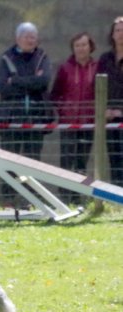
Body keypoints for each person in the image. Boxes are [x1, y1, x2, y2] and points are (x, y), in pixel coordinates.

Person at [0, 22, 52, 207]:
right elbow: (2, 86)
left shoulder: (42, 56)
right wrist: (30, 83)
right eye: (26, 36)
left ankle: (30, 200)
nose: (30, 40)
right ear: (17, 39)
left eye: (33, 37)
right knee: (9, 161)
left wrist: (16, 81)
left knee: (32, 160)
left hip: (35, 117)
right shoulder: (6, 57)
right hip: (10, 118)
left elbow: (43, 82)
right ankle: (8, 201)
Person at [50, 32, 97, 203]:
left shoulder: (98, 67)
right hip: (68, 124)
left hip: (88, 124)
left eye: (84, 45)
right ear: (73, 48)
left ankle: (77, 197)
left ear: (90, 47)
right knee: (67, 160)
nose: (81, 49)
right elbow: (55, 94)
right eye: (77, 45)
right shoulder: (65, 68)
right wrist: (63, 111)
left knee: (81, 161)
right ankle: (64, 197)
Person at [96, 16, 123, 187]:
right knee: (114, 158)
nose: (121, 34)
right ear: (112, 35)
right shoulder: (105, 59)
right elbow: (97, 86)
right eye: (118, 30)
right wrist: (103, 110)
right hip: (109, 118)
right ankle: (119, 199)